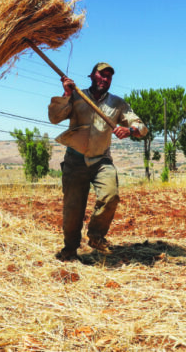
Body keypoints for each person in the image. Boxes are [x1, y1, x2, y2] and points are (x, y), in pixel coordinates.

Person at [48, 62, 148, 262]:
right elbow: (54, 118)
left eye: (109, 76)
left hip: (101, 160)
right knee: (73, 209)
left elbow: (141, 127)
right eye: (101, 75)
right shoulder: (76, 96)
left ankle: (96, 235)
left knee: (111, 196)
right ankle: (69, 250)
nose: (105, 79)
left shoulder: (117, 104)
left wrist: (130, 130)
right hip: (75, 161)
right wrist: (66, 94)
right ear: (92, 76)